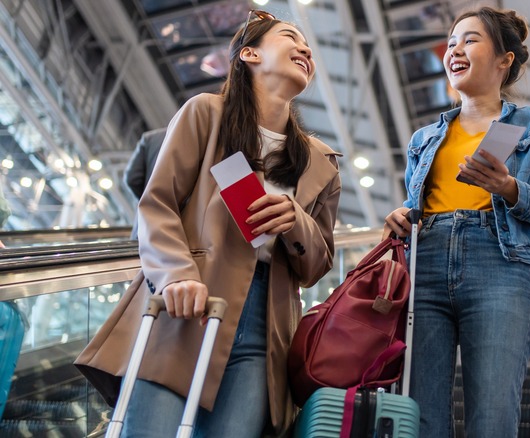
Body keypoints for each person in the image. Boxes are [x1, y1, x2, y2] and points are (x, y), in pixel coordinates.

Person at [75, 10, 342, 437]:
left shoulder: (320, 163)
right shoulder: (206, 114)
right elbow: (158, 203)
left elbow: (317, 265)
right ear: (249, 54)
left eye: (308, 47)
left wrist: (297, 224)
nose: (306, 49)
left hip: (265, 328)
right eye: (291, 37)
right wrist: (176, 275)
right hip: (186, 304)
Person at [383, 6, 530, 437]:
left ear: (504, 59)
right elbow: (414, 203)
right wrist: (402, 216)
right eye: (453, 41)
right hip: (425, 266)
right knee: (421, 418)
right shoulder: (424, 139)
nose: (455, 49)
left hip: (500, 264)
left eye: (470, 39)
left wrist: (512, 189)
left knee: (493, 417)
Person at [124, 127, 166, 239]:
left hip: (144, 228)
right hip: (178, 236)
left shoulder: (151, 138)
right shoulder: (199, 142)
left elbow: (132, 178)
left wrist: (149, 199)